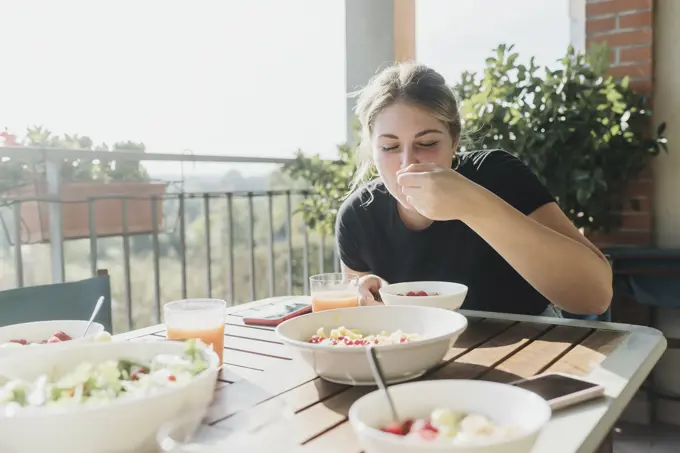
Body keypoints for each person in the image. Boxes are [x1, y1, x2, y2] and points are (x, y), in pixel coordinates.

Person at [335, 62, 612, 316]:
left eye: (428, 143)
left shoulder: (496, 175)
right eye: (390, 147)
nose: (408, 163)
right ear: (372, 151)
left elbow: (595, 297)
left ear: (454, 141)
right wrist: (365, 293)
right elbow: (363, 322)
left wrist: (471, 204)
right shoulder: (359, 216)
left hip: (530, 347)